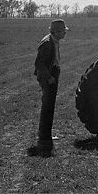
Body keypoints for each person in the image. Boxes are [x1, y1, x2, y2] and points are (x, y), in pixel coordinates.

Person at [30, 19, 68, 157]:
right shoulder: (47, 43)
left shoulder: (54, 41)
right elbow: (39, 64)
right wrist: (49, 77)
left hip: (53, 73)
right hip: (48, 77)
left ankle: (46, 135)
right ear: (56, 31)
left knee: (50, 106)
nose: (65, 33)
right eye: (63, 31)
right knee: (47, 106)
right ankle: (44, 137)